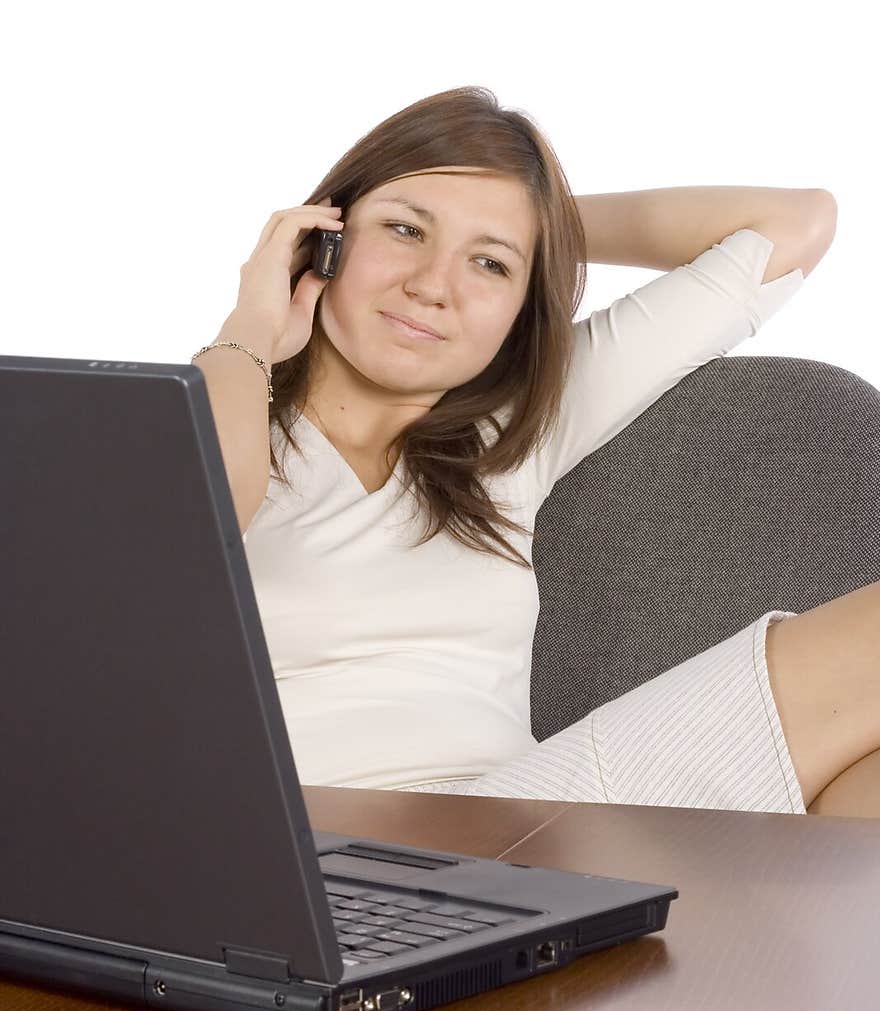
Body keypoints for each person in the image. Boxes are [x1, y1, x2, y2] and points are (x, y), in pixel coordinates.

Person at [191, 87, 875, 817]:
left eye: (490, 265)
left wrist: (537, 217)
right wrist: (251, 328)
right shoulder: (229, 414)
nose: (432, 287)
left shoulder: (522, 429)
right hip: (314, 856)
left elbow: (794, 225)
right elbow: (187, 520)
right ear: (322, 239)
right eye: (404, 230)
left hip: (520, 838)